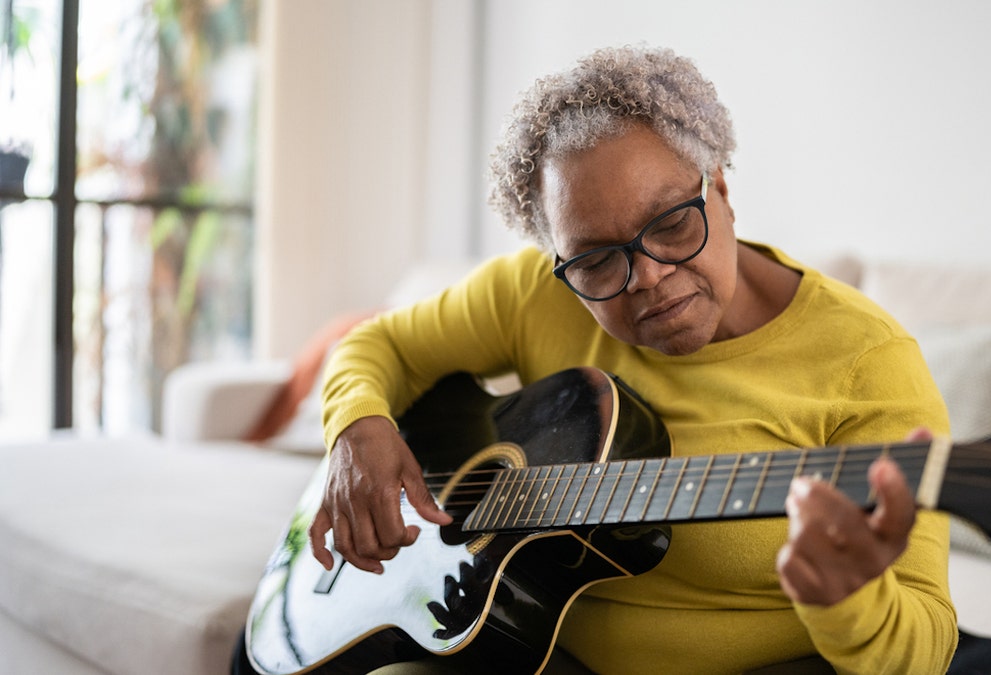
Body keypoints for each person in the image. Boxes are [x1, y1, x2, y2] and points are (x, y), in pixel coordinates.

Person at [311, 45, 957, 674]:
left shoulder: (867, 361)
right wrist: (356, 427)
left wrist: (849, 601)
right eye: (595, 259)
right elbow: (379, 345)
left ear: (721, 189)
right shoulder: (538, 291)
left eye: (673, 222)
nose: (647, 275)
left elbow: (929, 646)